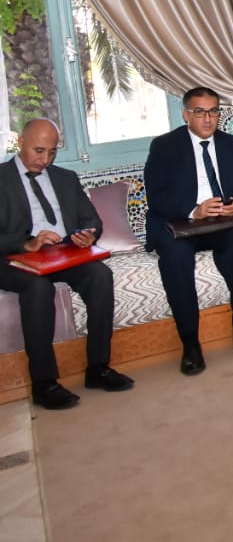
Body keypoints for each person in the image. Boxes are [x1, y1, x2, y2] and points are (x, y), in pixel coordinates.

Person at [0, 119, 132, 410]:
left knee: (100, 275)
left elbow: (92, 220)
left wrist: (87, 235)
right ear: (20, 142)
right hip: (15, 258)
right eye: (38, 150)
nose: (44, 160)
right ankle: (44, 383)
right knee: (38, 289)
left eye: (51, 152)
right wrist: (26, 243)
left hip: (63, 252)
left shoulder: (65, 178)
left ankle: (98, 368)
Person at [144, 87, 233, 376]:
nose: (208, 119)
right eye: (200, 112)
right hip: (180, 223)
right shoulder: (164, 146)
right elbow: (157, 196)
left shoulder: (232, 145)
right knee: (175, 259)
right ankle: (190, 344)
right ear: (186, 114)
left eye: (213, 111)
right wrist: (193, 210)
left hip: (221, 222)